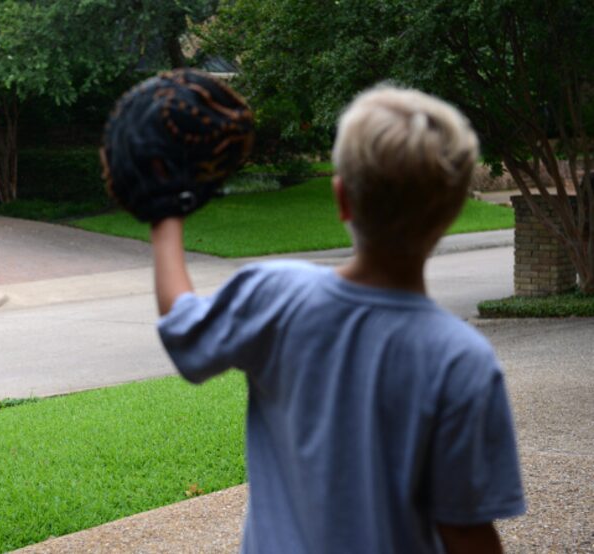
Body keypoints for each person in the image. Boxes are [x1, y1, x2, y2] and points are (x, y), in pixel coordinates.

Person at [151, 86, 526, 553]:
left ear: (342, 198)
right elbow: (466, 531)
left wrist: (165, 214)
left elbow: (183, 328)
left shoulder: (274, 296)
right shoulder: (461, 360)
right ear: (451, 213)